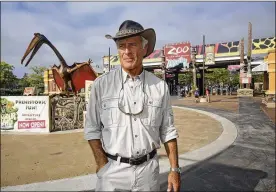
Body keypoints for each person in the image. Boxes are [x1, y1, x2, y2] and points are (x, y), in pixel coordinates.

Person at [84, 20, 180, 191]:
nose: (127, 51)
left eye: (132, 45)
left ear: (144, 48)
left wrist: (174, 169)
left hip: (148, 173)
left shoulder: (159, 87)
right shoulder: (101, 85)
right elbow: (92, 128)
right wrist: (102, 164)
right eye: (122, 46)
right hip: (112, 172)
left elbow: (168, 130)